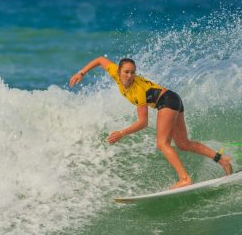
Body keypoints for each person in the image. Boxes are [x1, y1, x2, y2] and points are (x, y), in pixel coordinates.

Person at [69, 56, 232, 189]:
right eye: (126, 72)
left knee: (162, 144)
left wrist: (121, 133)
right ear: (118, 71)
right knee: (183, 143)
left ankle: (184, 179)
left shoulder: (138, 91)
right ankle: (222, 160)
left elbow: (143, 122)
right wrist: (81, 73)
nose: (129, 76)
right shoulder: (114, 72)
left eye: (132, 72)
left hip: (167, 101)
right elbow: (99, 60)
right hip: (174, 99)